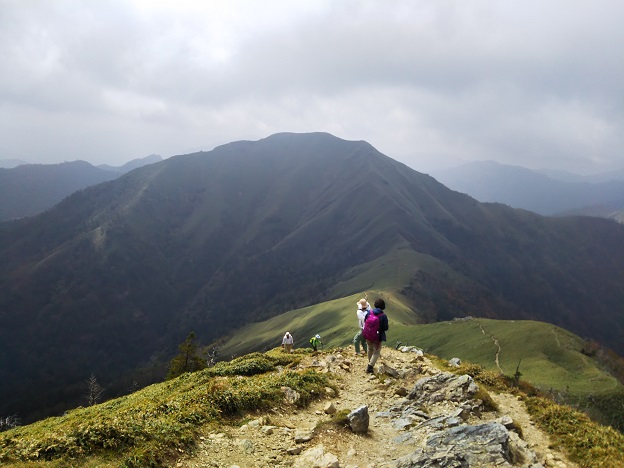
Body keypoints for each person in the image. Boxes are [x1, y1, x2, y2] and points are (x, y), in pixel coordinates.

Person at [363, 298, 389, 374]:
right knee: (377, 352)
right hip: (377, 337)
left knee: (369, 349)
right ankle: (370, 366)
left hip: (367, 334)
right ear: (383, 306)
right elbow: (385, 327)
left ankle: (370, 362)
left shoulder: (369, 312)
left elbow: (365, 321)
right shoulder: (383, 316)